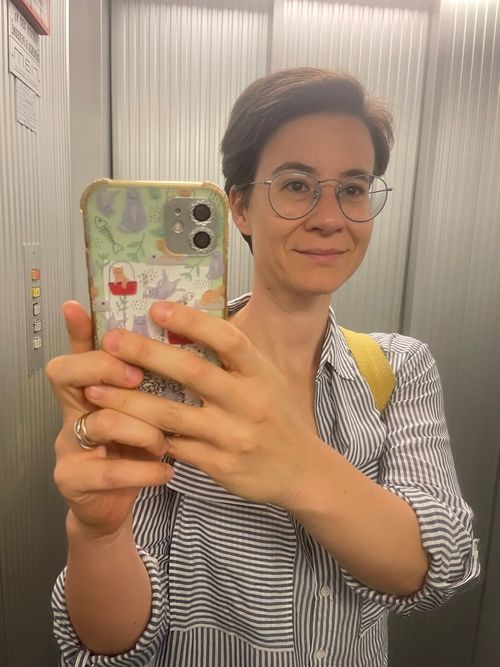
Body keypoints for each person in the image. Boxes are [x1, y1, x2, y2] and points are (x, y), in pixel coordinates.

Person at [47, 67, 480, 667]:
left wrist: (295, 465)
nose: (330, 217)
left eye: (353, 188)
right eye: (297, 185)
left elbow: (438, 566)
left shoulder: (399, 368)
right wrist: (97, 535)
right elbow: (112, 645)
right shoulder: (169, 375)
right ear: (241, 208)